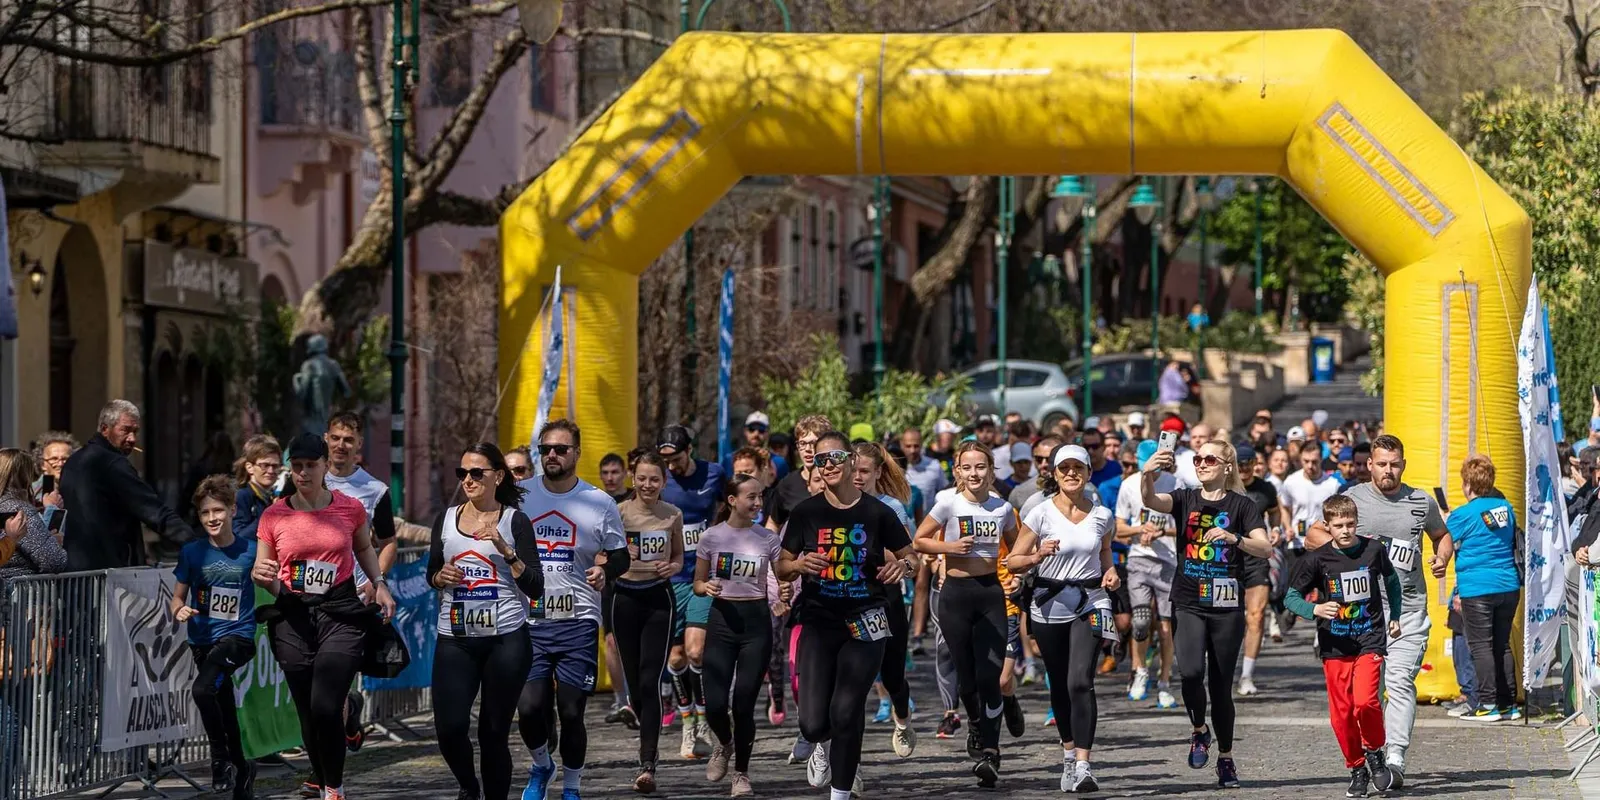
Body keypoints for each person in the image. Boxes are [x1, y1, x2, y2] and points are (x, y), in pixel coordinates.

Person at [251, 433, 396, 800]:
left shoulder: (349, 509)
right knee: (307, 709)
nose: (302, 473)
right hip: (292, 615)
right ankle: (322, 772)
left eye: (310, 466)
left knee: (325, 704)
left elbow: (364, 546)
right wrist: (264, 580)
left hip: (340, 611)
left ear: (324, 466)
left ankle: (334, 788)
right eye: (296, 467)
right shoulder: (274, 514)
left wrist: (378, 582)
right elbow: (263, 567)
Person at [775, 431, 914, 800]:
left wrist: (904, 567)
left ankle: (840, 793)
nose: (829, 465)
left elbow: (910, 556)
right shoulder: (807, 512)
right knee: (813, 721)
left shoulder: (878, 512)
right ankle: (819, 745)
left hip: (866, 618)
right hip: (820, 621)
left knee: (847, 709)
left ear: (851, 459)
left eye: (835, 457)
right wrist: (799, 563)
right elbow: (782, 567)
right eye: (820, 460)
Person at [1140, 438, 1272, 788]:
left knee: (1221, 686)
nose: (1201, 463)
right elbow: (1151, 500)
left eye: (1209, 459)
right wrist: (1147, 473)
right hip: (1189, 599)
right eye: (1197, 458)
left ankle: (1226, 758)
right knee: (1191, 673)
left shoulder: (1242, 506)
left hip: (1227, 605)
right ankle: (1199, 729)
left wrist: (1234, 539)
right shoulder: (1185, 498)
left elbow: (1266, 546)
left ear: (1227, 466)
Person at [516, 419, 630, 800]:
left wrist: (605, 570)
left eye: (560, 449)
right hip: (529, 618)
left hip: (578, 618)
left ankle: (572, 786)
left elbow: (621, 556)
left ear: (577, 454)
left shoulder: (600, 503)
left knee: (570, 711)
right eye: (545, 448)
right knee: (530, 708)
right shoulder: (518, 495)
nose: (551, 455)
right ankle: (541, 765)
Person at [428, 444, 545, 800]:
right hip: (456, 637)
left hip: (505, 639)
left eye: (476, 473)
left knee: (492, 733)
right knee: (449, 727)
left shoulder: (515, 521)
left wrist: (505, 550)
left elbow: (536, 586)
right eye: (462, 473)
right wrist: (440, 577)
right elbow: (431, 571)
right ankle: (468, 785)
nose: (468, 480)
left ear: (498, 476)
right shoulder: (446, 519)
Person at [1340, 435, 1450, 787]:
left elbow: (1441, 535)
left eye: (1395, 464)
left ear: (1403, 465)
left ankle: (1395, 757)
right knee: (1363, 697)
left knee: (1400, 683)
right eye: (1382, 464)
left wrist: (1441, 558)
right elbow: (1317, 534)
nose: (1389, 470)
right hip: (1362, 614)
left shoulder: (1420, 502)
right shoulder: (1352, 500)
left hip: (1408, 611)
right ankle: (1370, 752)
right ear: (1369, 464)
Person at [1008, 444, 1119, 792]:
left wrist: (1111, 572)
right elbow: (1013, 560)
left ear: (1088, 473)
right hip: (1049, 602)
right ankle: (1069, 754)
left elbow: (1104, 553)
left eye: (1078, 468)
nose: (1071, 473)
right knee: (1059, 682)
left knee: (1080, 682)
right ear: (1054, 474)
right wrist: (1037, 554)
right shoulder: (1040, 513)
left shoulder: (1102, 515)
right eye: (1064, 468)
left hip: (1091, 600)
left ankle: (1085, 765)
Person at [913, 441, 1017, 787]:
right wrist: (949, 548)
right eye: (967, 468)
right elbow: (919, 540)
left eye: (981, 467)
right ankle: (975, 722)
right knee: (967, 679)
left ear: (991, 470)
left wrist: (1021, 567)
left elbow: (1017, 549)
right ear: (957, 471)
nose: (974, 473)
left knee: (989, 677)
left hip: (989, 593)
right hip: (954, 595)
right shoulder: (948, 503)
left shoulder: (1002, 508)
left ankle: (991, 750)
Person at [1285, 493, 1401, 797]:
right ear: (1327, 526)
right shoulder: (1316, 559)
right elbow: (1290, 597)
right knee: (1342, 713)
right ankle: (1356, 767)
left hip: (1369, 637)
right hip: (1335, 642)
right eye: (1339, 525)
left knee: (1366, 701)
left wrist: (1396, 616)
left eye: (1350, 524)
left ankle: (1376, 752)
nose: (1346, 530)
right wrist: (1315, 610)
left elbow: (1391, 581)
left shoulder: (1374, 550)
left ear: (1357, 522)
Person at [171, 475, 259, 800]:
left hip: (238, 638)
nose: (212, 518)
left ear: (233, 510)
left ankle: (219, 759)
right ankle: (242, 769)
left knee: (202, 689)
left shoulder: (251, 550)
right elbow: (177, 598)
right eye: (206, 513)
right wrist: (179, 610)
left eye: (218, 511)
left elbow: (274, 586)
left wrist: (274, 582)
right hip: (202, 641)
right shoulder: (192, 552)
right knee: (221, 705)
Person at [695, 474, 783, 796]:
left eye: (760, 497)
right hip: (721, 621)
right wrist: (707, 587)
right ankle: (725, 743)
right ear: (732, 500)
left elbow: (781, 573)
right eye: (751, 497)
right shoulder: (711, 537)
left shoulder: (767, 539)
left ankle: (741, 774)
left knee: (743, 703)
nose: (758, 503)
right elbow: (698, 583)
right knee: (716, 704)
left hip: (755, 624)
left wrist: (786, 586)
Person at [322, 411, 398, 750]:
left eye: (348, 440)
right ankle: (351, 711)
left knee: (333, 682)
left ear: (359, 446)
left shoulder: (374, 489)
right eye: (335, 438)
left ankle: (323, 771)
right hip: (306, 591)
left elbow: (388, 542)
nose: (341, 445)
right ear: (326, 438)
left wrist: (374, 582)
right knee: (313, 684)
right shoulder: (306, 477)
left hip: (350, 595)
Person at [611, 452, 685, 792]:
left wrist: (673, 567)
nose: (648, 485)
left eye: (655, 479)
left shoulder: (672, 515)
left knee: (650, 680)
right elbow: (601, 554)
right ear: (633, 479)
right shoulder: (618, 513)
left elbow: (679, 556)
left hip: (659, 599)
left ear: (664, 482)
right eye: (642, 478)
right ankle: (643, 719)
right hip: (624, 598)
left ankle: (648, 764)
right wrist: (622, 556)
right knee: (636, 684)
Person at [61, 399, 194, 570]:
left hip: (75, 572)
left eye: (135, 431)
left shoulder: (74, 460)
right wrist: (197, 545)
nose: (132, 439)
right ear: (104, 429)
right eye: (125, 430)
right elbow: (152, 510)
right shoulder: (112, 464)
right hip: (109, 572)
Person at [657, 425, 724, 758]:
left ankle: (704, 720)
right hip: (669, 580)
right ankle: (688, 723)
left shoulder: (714, 474)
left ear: (690, 450)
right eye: (665, 459)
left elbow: (731, 505)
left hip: (702, 577)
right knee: (676, 657)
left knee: (697, 652)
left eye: (676, 458)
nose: (671, 466)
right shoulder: (659, 481)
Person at [850, 442, 917, 757]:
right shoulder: (838, 505)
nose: (858, 477)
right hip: (849, 598)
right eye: (854, 471)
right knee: (853, 680)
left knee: (892, 675)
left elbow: (908, 557)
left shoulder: (892, 507)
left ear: (878, 472)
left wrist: (899, 564)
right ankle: (850, 759)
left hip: (886, 596)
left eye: (864, 471)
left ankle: (902, 718)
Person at [1445, 455, 1523, 723]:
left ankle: (1487, 704)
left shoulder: (1462, 514)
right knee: (1501, 646)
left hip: (1477, 587)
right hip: (1508, 585)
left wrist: (1448, 521)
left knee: (1480, 646)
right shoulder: (1506, 508)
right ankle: (1508, 704)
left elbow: (1444, 540)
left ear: (1467, 483)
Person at [1115, 440, 1179, 709]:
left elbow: (1187, 526)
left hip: (1168, 561)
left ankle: (1164, 681)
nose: (1150, 473)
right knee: (1140, 622)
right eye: (1145, 468)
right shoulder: (1129, 484)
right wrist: (1140, 530)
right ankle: (1140, 672)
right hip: (1139, 559)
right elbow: (1119, 527)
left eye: (1153, 467)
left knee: (1165, 628)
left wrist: (1162, 532)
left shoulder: (1175, 483)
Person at [1237, 444, 1285, 695]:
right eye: (1239, 464)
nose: (1244, 469)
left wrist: (1275, 529)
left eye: (1248, 464)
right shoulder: (1223, 487)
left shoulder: (1265, 488)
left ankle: (1247, 675)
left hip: (1256, 558)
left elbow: (1275, 513)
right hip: (1226, 560)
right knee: (1229, 620)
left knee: (1255, 616)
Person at [0, 448, 68, 582]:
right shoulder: (19, 510)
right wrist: (54, 543)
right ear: (25, 475)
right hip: (23, 595)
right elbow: (53, 560)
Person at [181, 432, 238, 527]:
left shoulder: (201, 467)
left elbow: (187, 494)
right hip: (228, 518)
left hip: (203, 517)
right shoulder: (233, 468)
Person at [233, 435, 283, 540]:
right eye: (264, 465)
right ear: (249, 467)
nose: (271, 471)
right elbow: (238, 536)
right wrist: (269, 514)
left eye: (275, 466)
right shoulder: (241, 496)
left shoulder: (272, 496)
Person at [901, 427, 948, 519]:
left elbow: (944, 494)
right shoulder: (895, 468)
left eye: (916, 446)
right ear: (902, 445)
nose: (912, 450)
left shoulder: (934, 465)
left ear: (921, 445)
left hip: (927, 525)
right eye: (908, 446)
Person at [30, 430, 73, 509]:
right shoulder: (31, 492)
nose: (60, 464)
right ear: (42, 464)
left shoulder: (79, 490)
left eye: (65, 459)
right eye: (54, 459)